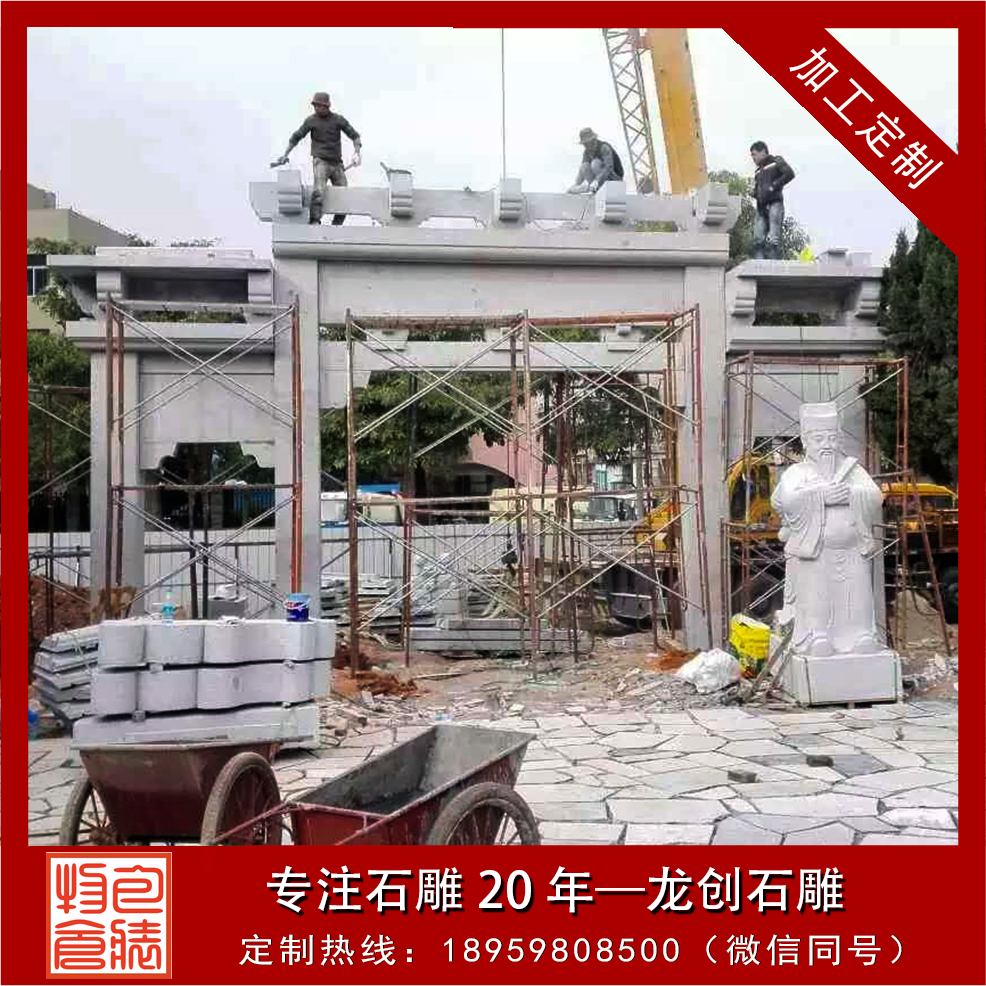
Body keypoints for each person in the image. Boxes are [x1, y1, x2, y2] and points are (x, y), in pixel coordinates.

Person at [771, 403, 884, 657]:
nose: (827, 445)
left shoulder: (853, 471)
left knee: (856, 595)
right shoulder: (797, 472)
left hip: (852, 549)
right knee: (818, 595)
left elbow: (875, 496)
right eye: (819, 439)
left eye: (832, 438)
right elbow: (785, 500)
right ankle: (817, 636)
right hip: (817, 551)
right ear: (806, 441)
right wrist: (821, 495)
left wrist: (850, 494)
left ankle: (861, 636)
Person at [271, 92, 362, 226]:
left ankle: (337, 225)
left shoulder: (338, 120)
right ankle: (315, 220)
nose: (317, 108)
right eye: (315, 106)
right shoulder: (311, 121)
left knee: (344, 195)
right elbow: (296, 137)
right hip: (321, 162)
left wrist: (357, 152)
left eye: (319, 106)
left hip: (337, 164)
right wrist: (285, 155)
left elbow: (355, 136)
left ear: (326, 106)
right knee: (319, 190)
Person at [749, 140, 795, 259]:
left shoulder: (776, 161)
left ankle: (774, 266)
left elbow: (790, 174)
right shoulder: (758, 171)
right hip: (761, 208)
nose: (753, 158)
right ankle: (759, 266)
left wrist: (774, 186)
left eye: (754, 154)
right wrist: (753, 193)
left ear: (763, 152)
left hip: (775, 204)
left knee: (773, 240)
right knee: (757, 240)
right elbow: (759, 190)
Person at [568, 127, 624, 193]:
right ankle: (594, 189)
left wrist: (597, 181)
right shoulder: (587, 152)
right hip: (599, 181)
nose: (586, 146)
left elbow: (609, 167)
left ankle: (597, 186)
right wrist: (575, 186)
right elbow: (582, 171)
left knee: (595, 163)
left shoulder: (604, 147)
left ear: (593, 141)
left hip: (614, 179)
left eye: (587, 143)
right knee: (584, 166)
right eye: (584, 144)